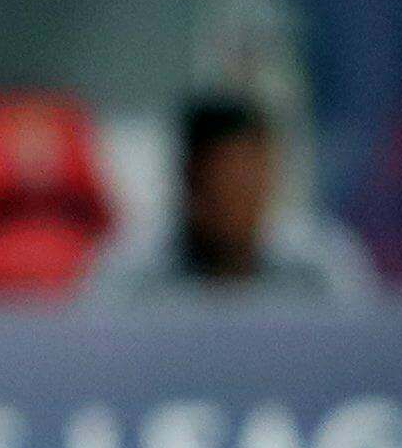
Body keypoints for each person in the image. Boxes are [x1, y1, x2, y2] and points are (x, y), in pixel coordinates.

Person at [86, 95, 375, 306]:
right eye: (223, 180)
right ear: (189, 181)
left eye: (250, 180)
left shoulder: (319, 266)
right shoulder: (132, 275)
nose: (237, 199)